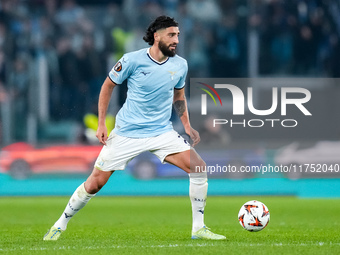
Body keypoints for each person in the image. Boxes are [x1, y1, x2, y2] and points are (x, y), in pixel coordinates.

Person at [43, 15, 226, 241]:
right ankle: (60, 225)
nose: (176, 40)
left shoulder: (181, 65)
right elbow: (108, 85)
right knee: (94, 183)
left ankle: (198, 228)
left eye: (177, 35)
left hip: (161, 132)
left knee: (198, 167)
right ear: (156, 36)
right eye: (171, 35)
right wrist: (102, 122)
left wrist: (187, 125)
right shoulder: (131, 60)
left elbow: (178, 95)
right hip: (127, 132)